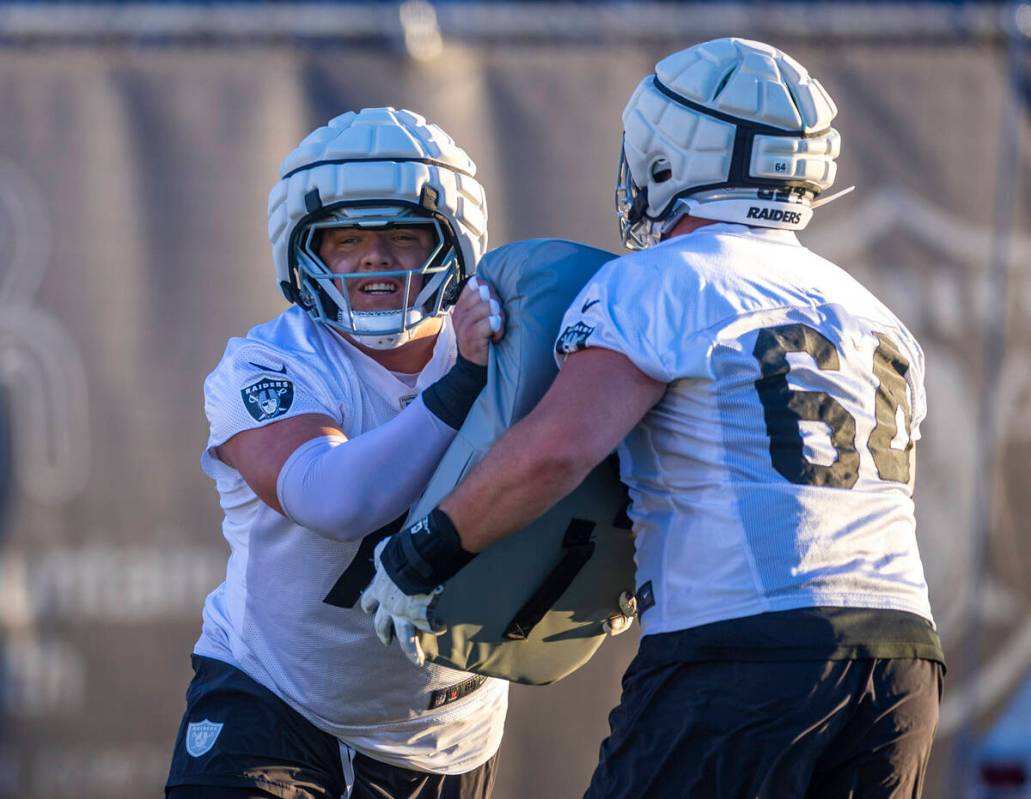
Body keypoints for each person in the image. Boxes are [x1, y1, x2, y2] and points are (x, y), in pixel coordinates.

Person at [362, 39, 946, 798]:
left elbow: (555, 451)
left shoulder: (660, 280)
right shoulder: (875, 316)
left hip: (741, 650)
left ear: (666, 157)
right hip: (902, 661)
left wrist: (420, 557)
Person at [165, 107, 508, 799]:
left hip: (445, 731)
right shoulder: (267, 363)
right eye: (345, 238)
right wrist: (462, 382)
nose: (374, 257)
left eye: (404, 236)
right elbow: (335, 499)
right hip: (275, 695)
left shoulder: (511, 340)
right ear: (305, 252)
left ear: (455, 243)